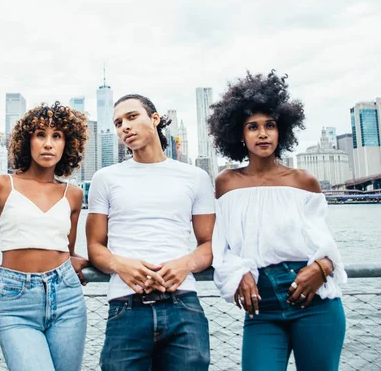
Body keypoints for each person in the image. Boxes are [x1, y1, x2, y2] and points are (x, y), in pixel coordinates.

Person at [208, 70, 347, 371]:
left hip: (314, 300)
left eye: (270, 126)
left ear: (282, 129)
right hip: (262, 305)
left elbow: (325, 245)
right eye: (252, 127)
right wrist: (239, 272)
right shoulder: (226, 183)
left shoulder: (303, 181)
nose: (263, 134)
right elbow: (222, 246)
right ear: (238, 134)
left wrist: (322, 267)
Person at [86, 94, 214, 371]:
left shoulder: (195, 177)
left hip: (183, 304)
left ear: (155, 119)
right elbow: (95, 246)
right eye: (118, 123)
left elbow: (209, 244)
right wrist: (121, 265)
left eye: (132, 117)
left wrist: (185, 264)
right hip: (125, 307)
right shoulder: (105, 179)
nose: (125, 127)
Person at [0, 102, 89, 371]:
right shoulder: (0, 185)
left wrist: (74, 260)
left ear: (68, 144)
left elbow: (68, 247)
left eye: (57, 136)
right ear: (26, 141)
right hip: (15, 300)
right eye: (40, 135)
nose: (48, 144)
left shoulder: (73, 194)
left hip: (67, 297)